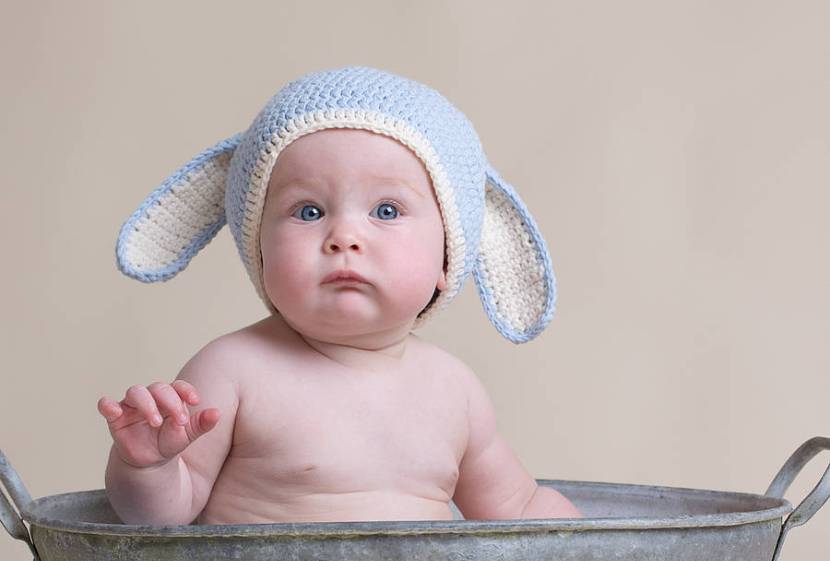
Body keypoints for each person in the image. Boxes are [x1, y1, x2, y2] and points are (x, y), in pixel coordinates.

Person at [98, 66, 581, 525]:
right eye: (308, 212)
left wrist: (602, 539)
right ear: (259, 249)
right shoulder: (231, 371)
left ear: (449, 255)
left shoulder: (456, 390)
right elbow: (162, 519)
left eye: (387, 210)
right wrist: (147, 466)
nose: (344, 237)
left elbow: (517, 512)